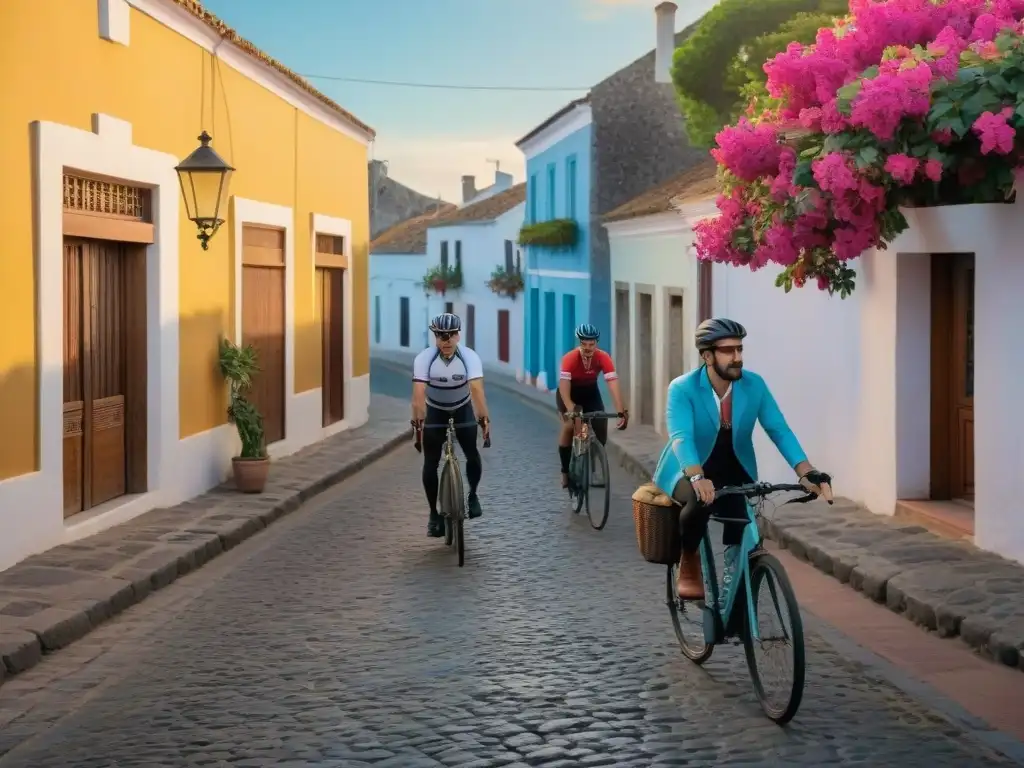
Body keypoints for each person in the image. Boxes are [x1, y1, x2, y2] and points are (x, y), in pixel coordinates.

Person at [651, 317, 834, 600]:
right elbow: (681, 437)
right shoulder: (682, 388)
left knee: (743, 519)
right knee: (699, 502)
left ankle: (732, 582)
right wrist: (697, 476)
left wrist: (805, 470)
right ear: (707, 355)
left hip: (734, 465)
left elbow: (778, 429)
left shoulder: (754, 385)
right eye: (728, 351)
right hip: (689, 467)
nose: (737, 357)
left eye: (739, 349)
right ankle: (688, 561)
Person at [412, 313, 491, 538]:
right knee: (430, 462)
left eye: (450, 336)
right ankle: (433, 514)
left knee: (472, 454)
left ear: (458, 335)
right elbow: (418, 396)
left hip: (462, 408)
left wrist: (484, 420)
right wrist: (418, 423)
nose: (445, 341)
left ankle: (472, 495)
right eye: (440, 336)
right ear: (435, 336)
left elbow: (477, 391)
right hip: (435, 411)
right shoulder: (424, 358)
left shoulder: (469, 357)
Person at [556, 323, 628, 488]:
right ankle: (565, 471)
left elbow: (612, 382)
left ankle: (594, 459)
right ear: (579, 342)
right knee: (570, 425)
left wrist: (620, 410)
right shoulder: (570, 358)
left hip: (590, 392)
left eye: (592, 344)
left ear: (596, 343)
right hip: (569, 393)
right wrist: (570, 407)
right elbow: (564, 385)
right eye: (584, 344)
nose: (588, 347)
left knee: (600, 423)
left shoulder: (603, 357)